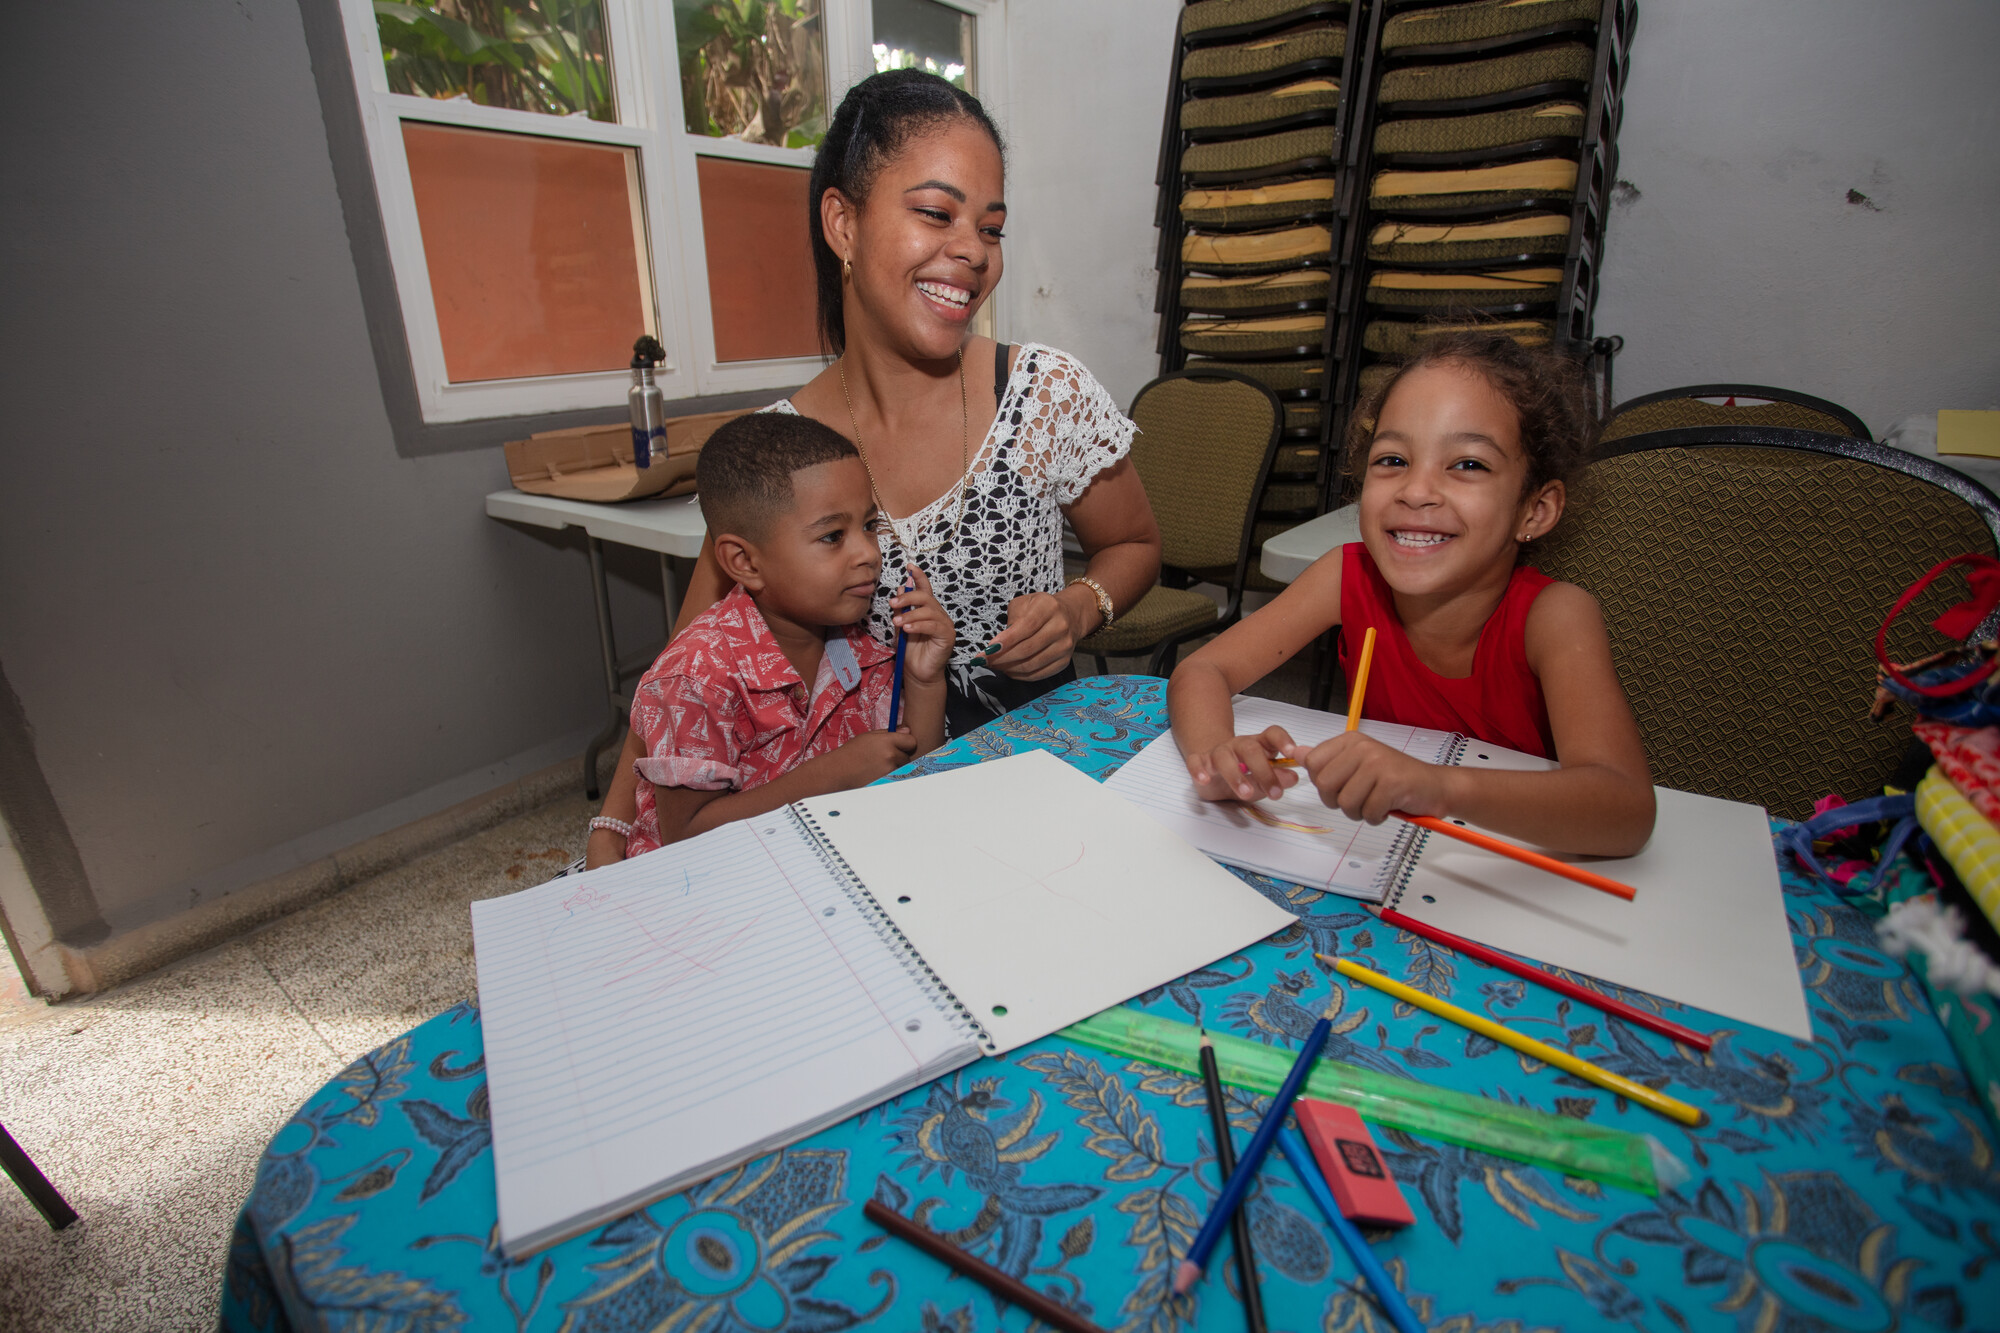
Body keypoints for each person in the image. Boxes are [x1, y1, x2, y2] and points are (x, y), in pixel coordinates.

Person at [586, 67, 1160, 867]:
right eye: (936, 213)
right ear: (843, 225)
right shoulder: (781, 455)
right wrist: (614, 822)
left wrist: (1078, 607)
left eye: (991, 229)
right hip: (849, 820)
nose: (972, 251)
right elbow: (685, 669)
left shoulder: (1043, 394)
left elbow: (1134, 546)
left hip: (1026, 794)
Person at [1167, 329, 1656, 858]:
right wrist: (1217, 756)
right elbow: (1202, 671)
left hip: (1496, 865)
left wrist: (1438, 786)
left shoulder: (1555, 617)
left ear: (1534, 510)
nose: (1416, 491)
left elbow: (1625, 808)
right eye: (1393, 460)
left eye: (1468, 464)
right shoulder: (1346, 576)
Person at [598, 413, 954, 856]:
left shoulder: (862, 646)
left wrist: (923, 682)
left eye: (869, 526)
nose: (869, 553)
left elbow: (914, 775)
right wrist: (829, 777)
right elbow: (685, 837)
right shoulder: (695, 677)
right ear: (745, 563)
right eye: (831, 536)